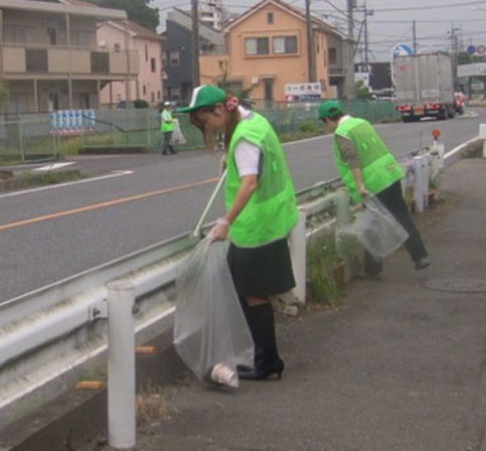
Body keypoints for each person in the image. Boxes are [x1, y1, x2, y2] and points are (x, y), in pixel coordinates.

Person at [177, 85, 298, 380]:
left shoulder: (244, 137)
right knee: (245, 288)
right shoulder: (253, 121)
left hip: (256, 224)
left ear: (220, 110)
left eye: (206, 122)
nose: (209, 128)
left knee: (254, 293)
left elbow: (249, 183)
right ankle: (262, 356)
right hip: (270, 216)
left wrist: (225, 222)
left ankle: (267, 362)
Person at [319, 100, 430, 277]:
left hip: (373, 183)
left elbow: (352, 159)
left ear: (327, 119)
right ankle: (419, 256)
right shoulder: (361, 122)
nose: (327, 128)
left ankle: (373, 269)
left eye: (325, 124)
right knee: (400, 216)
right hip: (391, 172)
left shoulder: (341, 132)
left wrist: (360, 185)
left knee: (371, 224)